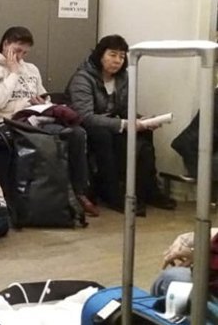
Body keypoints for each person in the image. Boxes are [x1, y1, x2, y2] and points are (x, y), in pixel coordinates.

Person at [0, 26, 99, 217]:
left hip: (36, 118)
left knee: (77, 133)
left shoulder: (31, 69)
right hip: (7, 123)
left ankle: (79, 191)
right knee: (56, 136)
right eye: (17, 50)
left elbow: (44, 97)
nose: (20, 56)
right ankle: (55, 196)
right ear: (6, 44)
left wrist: (44, 102)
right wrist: (13, 72)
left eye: (25, 52)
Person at [66, 34, 176, 214]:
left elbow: (125, 109)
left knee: (145, 136)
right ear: (101, 55)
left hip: (113, 123)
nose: (117, 60)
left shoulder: (122, 78)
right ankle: (113, 194)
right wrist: (124, 124)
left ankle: (148, 190)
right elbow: (85, 116)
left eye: (122, 56)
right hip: (90, 127)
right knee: (103, 136)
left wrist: (143, 120)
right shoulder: (83, 78)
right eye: (112, 55)